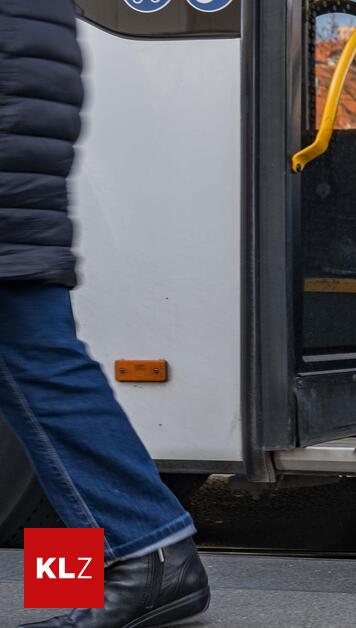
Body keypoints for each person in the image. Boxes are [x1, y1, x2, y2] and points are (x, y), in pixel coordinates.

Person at [0, 2, 211, 626]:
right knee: (35, 355)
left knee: (35, 356)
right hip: (24, 111)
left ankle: (146, 553)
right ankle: (147, 551)